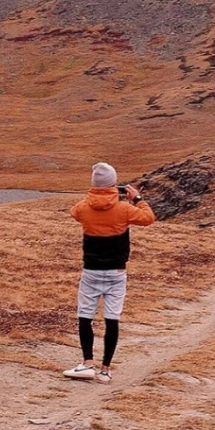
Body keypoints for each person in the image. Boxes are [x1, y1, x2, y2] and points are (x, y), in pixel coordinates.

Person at [63, 162, 155, 384]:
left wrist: (93, 197)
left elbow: (74, 211)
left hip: (91, 271)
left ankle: (87, 363)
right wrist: (137, 199)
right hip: (116, 272)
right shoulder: (124, 209)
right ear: (115, 184)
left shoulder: (84, 207)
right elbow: (148, 218)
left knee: (85, 316)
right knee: (112, 318)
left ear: (94, 185)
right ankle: (105, 369)